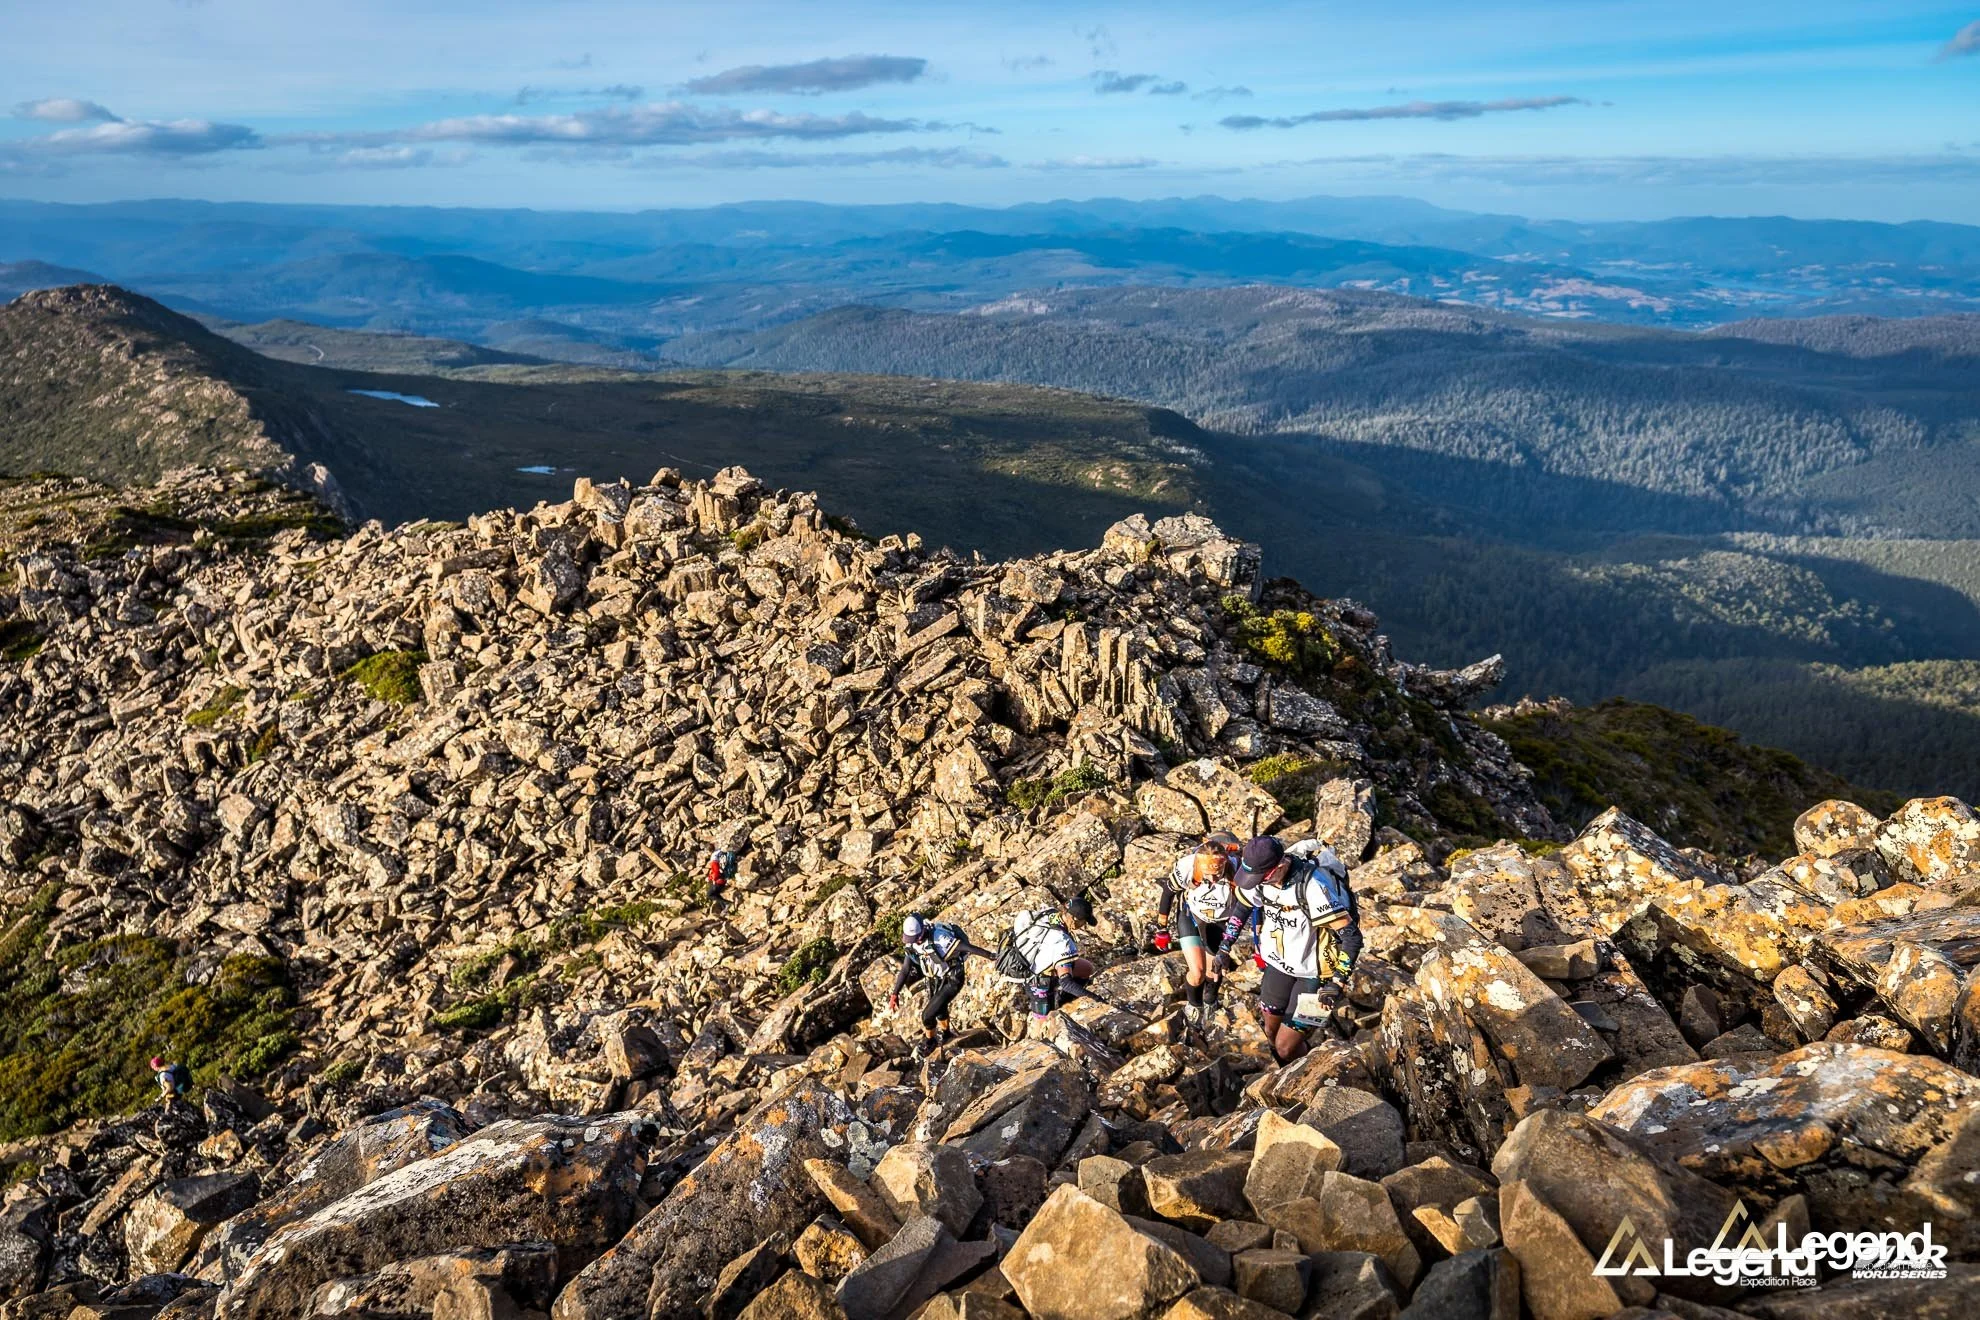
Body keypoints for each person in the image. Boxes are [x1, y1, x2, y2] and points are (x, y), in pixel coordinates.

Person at [1230, 834, 1363, 1064]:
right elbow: (1243, 906)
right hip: (1278, 964)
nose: (1258, 883)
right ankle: (1287, 1079)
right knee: (1271, 1034)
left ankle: (1309, 1084)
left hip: (1318, 974)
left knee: (1284, 1046)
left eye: (1262, 878)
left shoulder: (1313, 886)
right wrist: (1224, 948)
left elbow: (1352, 937)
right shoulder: (1262, 879)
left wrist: (1337, 982)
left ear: (1280, 866)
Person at [1150, 831, 1245, 1029]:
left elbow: (1249, 905)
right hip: (1192, 917)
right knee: (1197, 971)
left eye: (1217, 874)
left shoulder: (1237, 870)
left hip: (1220, 921)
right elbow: (1168, 894)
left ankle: (1210, 1000)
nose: (1211, 879)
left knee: (1215, 971)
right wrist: (1162, 929)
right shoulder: (1186, 867)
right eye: (1207, 875)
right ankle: (1193, 1005)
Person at [886, 913, 992, 1060]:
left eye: (915, 939)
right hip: (934, 978)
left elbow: (967, 947)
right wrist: (894, 994)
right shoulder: (913, 944)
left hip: (952, 978)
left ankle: (931, 1040)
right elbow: (905, 969)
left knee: (927, 1016)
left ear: (921, 932)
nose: (913, 942)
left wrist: (992, 956)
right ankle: (946, 1033)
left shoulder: (940, 938)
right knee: (940, 1009)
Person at [1010, 907, 1096, 1020]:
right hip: (1037, 982)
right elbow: (1067, 983)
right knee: (1046, 1020)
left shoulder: (1049, 913)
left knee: (1086, 968)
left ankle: (1062, 1002)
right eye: (1083, 921)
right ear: (1074, 919)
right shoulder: (1063, 941)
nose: (1084, 925)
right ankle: (1043, 1016)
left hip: (1031, 958)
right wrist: (1096, 999)